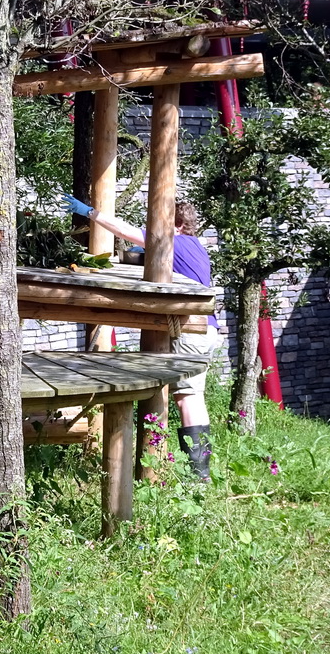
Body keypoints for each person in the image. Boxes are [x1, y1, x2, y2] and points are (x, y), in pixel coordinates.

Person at [62, 194, 220, 480]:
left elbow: (125, 230)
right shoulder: (195, 246)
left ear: (176, 223)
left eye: (160, 221)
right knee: (193, 395)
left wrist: (91, 212)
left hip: (192, 331)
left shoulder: (175, 241)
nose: (154, 226)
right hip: (206, 329)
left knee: (188, 398)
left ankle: (200, 475)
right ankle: (199, 471)